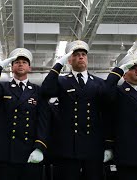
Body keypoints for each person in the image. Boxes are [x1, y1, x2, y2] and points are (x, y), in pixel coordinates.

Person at [40, 40, 106, 180]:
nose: (81, 57)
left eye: (83, 54)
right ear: (69, 60)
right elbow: (45, 91)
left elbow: (107, 112)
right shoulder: (61, 81)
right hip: (68, 147)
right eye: (76, 55)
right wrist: (58, 64)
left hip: (93, 146)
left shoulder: (99, 82)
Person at [0, 48, 48, 180]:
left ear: (29, 68)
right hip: (6, 153)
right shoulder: (3, 87)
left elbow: (43, 121)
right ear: (12, 67)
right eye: (17, 62)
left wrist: (40, 147)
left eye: (24, 62)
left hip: (30, 152)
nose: (20, 64)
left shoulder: (37, 90)